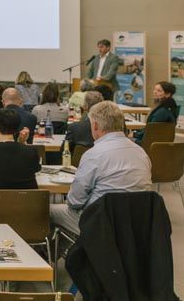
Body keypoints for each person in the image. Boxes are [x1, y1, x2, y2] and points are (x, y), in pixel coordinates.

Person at [50, 101, 153, 236]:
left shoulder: (93, 155)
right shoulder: (141, 153)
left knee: (48, 210)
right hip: (137, 223)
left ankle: (54, 255)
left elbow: (75, 202)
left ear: (95, 125)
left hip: (101, 224)